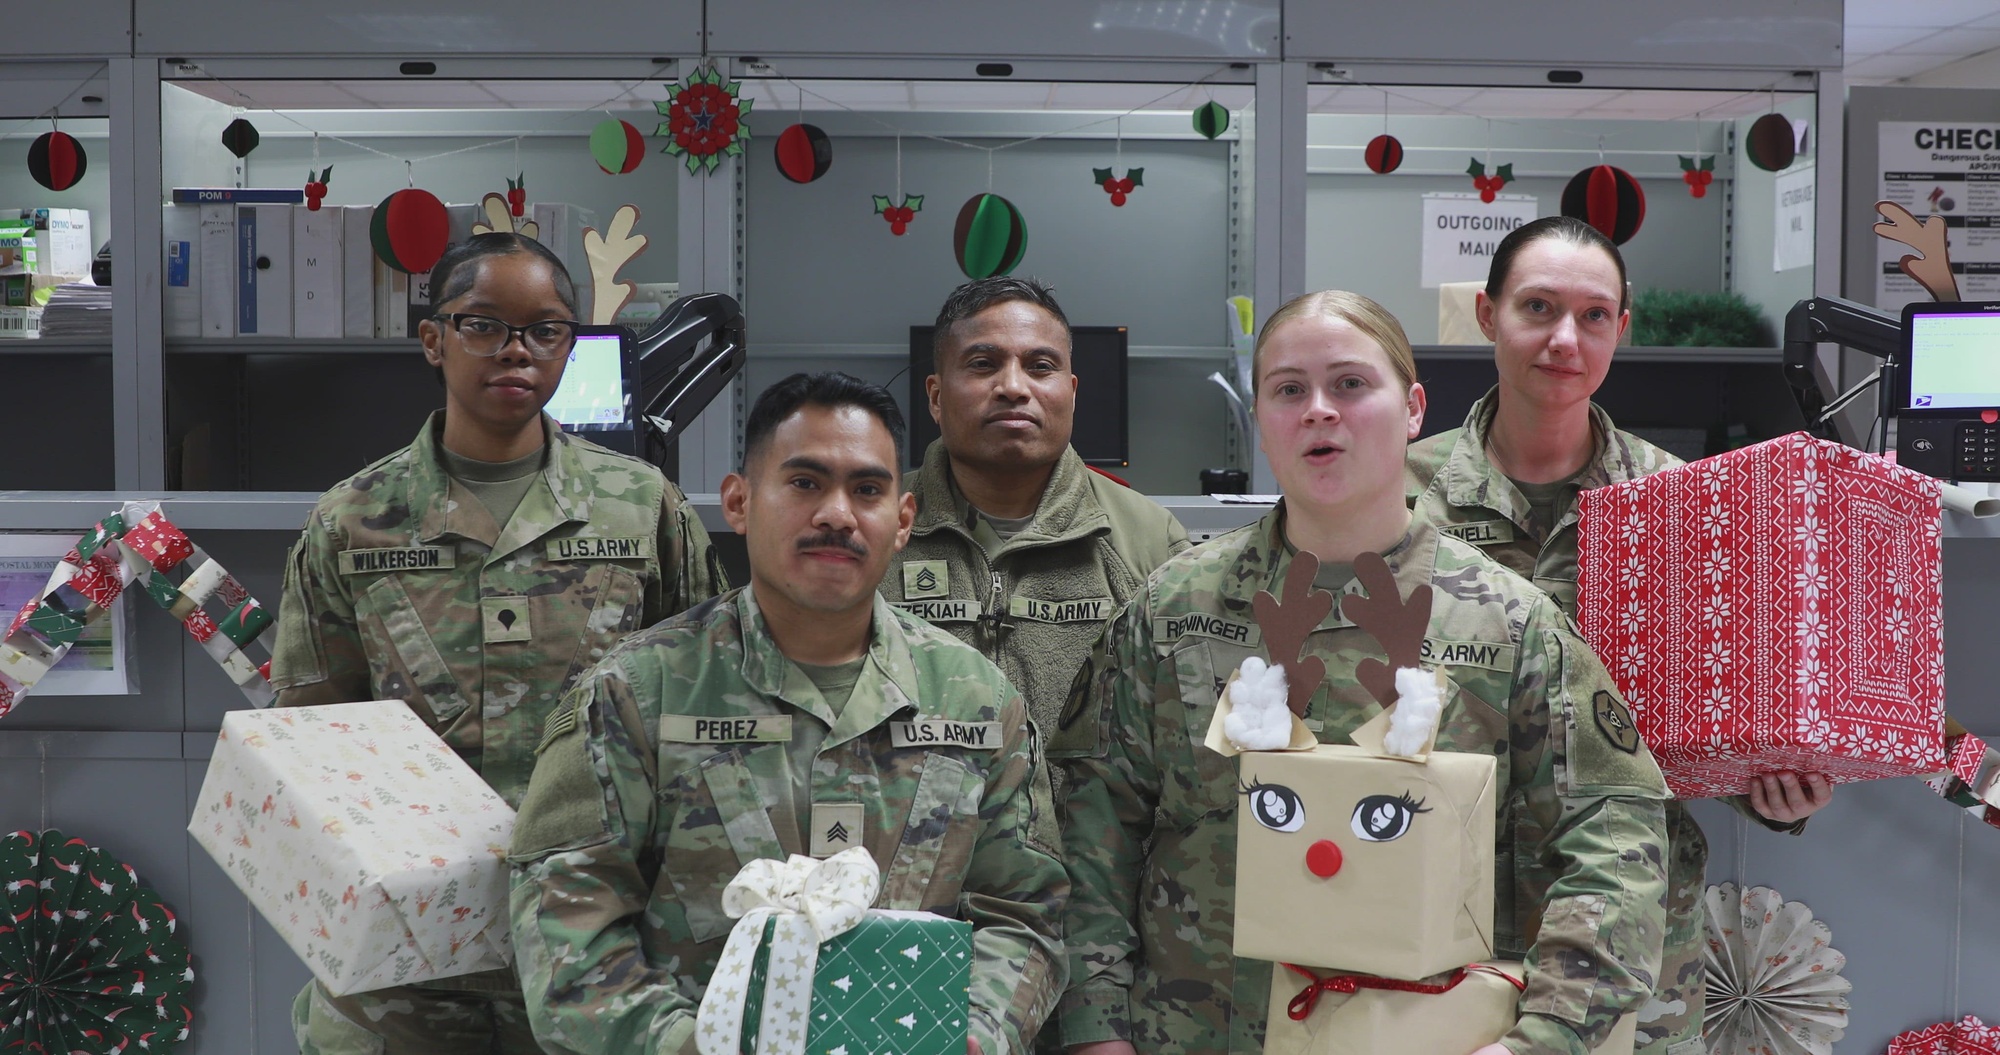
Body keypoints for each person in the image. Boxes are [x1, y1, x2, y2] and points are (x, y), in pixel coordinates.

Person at [1055, 290, 1671, 1055]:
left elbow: (1618, 841)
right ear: (1261, 417)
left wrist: (1544, 1037)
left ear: (1413, 409)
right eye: (1288, 389)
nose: (1319, 409)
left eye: (1350, 383)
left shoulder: (1509, 624)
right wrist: (1096, 1030)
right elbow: (1087, 828)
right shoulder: (1172, 611)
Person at [507, 372, 1069, 1055]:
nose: (837, 514)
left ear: (903, 521)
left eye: (867, 490)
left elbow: (1024, 913)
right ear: (739, 502)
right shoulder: (637, 693)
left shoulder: (976, 699)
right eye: (805, 482)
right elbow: (568, 922)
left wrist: (971, 1038)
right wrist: (689, 1045)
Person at [269, 231, 727, 1055]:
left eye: (546, 329)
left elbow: (705, 706)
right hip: (405, 951)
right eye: (483, 324)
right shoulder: (354, 519)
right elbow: (311, 735)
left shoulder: (640, 506)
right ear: (433, 339)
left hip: (597, 938)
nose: (517, 350)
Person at [1406, 215, 1834, 1055]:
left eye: (1594, 315)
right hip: (1438, 911)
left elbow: (1715, 709)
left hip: (1632, 937)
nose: (1565, 338)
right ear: (1489, 314)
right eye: (1538, 307)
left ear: (1621, 329)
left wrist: (1770, 787)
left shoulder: (1683, 503)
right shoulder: (1400, 495)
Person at [885, 277, 1188, 772]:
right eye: (983, 364)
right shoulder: (873, 530)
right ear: (936, 397)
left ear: (1071, 393)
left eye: (1040, 366)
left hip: (1087, 825)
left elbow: (1182, 735)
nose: (1013, 387)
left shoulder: (1149, 540)